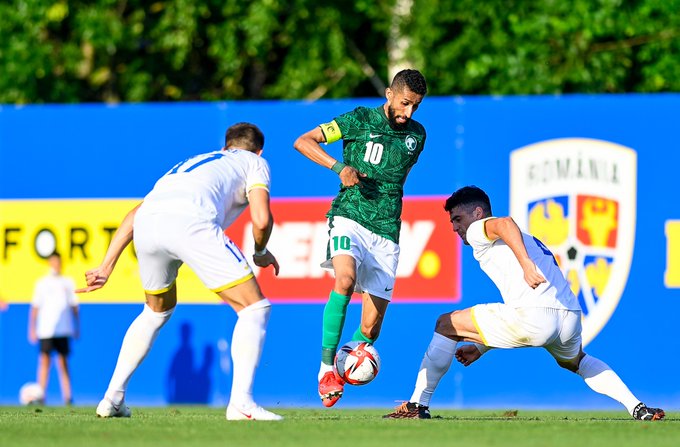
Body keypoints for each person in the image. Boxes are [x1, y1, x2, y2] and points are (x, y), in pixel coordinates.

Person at [384, 186, 665, 421]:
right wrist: (482, 346)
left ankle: (418, 405)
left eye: (457, 219)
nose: (455, 228)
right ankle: (638, 408)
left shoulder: (479, 228)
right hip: (569, 318)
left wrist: (526, 265)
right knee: (576, 362)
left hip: (536, 317)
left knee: (446, 324)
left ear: (478, 213)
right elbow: (527, 304)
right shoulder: (530, 239)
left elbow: (504, 223)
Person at [77, 122, 283, 421]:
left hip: (147, 225)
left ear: (225, 146)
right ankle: (241, 403)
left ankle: (112, 398)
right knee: (255, 308)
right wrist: (261, 252)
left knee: (155, 311)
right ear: (260, 150)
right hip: (191, 223)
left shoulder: (189, 164)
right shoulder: (255, 162)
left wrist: (106, 266)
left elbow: (136, 213)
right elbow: (261, 220)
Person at [293, 69, 428, 407]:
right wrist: (339, 167)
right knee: (345, 279)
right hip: (349, 217)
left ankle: (342, 368)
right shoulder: (357, 120)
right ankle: (325, 368)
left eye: (415, 106)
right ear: (388, 94)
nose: (408, 112)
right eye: (404, 103)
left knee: (369, 331)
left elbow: (398, 180)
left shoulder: (417, 136)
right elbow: (303, 141)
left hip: (387, 231)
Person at [29, 252, 80, 405]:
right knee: (44, 361)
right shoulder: (42, 283)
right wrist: (32, 329)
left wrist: (77, 326)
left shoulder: (68, 283)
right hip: (46, 329)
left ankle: (68, 396)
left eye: (58, 262)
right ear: (49, 263)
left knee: (63, 361)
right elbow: (35, 307)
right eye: (53, 262)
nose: (56, 265)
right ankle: (40, 395)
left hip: (63, 330)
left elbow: (74, 306)